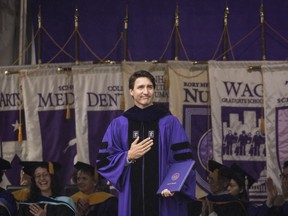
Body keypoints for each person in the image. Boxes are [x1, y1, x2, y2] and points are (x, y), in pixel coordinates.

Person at [97, 70, 196, 216]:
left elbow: (183, 159)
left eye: (149, 87)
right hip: (132, 198)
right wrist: (128, 156)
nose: (146, 91)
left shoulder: (169, 122)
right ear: (131, 91)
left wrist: (174, 184)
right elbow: (104, 161)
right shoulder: (119, 125)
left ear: (154, 91)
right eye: (140, 87)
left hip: (164, 197)